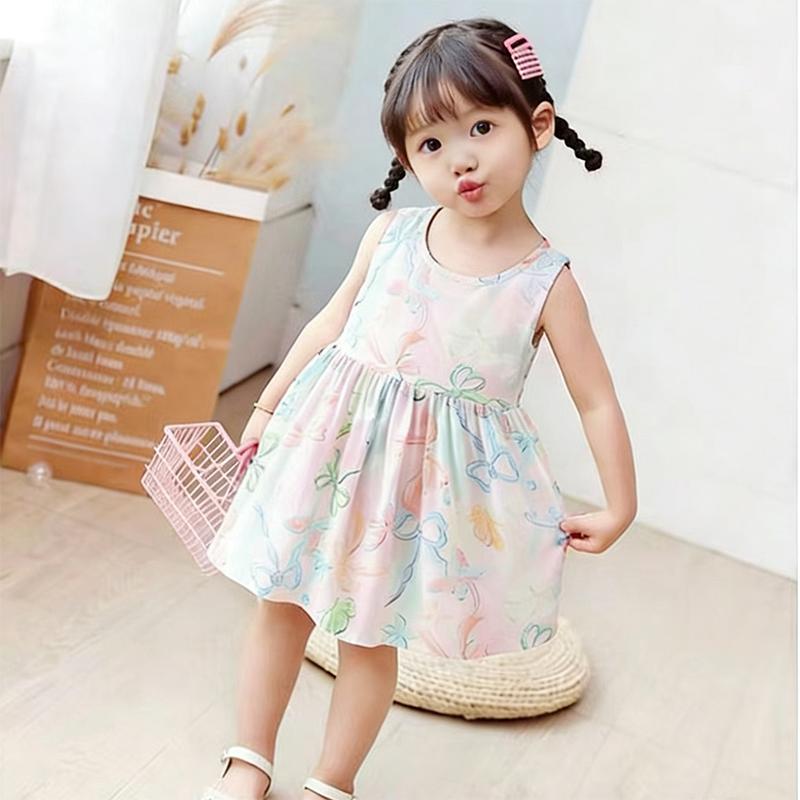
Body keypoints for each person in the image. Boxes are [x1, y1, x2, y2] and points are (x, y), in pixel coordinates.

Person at [199, 16, 636, 800]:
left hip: (419, 496)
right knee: (281, 603)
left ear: (537, 125)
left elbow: (595, 398)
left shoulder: (546, 283)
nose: (460, 158)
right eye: (431, 144)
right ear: (407, 160)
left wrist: (620, 503)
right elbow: (328, 326)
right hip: (329, 458)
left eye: (481, 128)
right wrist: (265, 409)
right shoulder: (393, 237)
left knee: (371, 636)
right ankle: (248, 760)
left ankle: (332, 782)